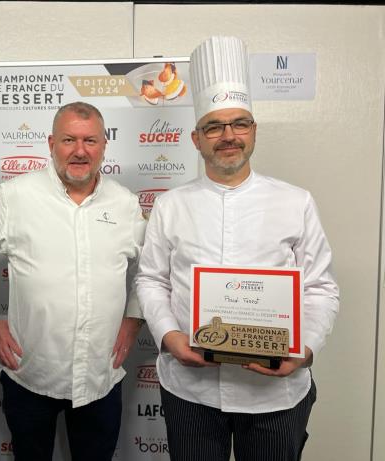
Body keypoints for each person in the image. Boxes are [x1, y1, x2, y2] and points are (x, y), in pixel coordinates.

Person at [135, 36, 339, 461]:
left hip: (275, 394)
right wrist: (170, 337)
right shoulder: (171, 205)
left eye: (239, 123)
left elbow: (320, 288)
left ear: (253, 131)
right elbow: (151, 280)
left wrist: (305, 351)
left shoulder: (295, 201)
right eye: (214, 126)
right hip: (191, 391)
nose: (229, 136)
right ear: (196, 139)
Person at [0, 101, 146, 461]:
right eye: (69, 140)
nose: (80, 151)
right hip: (30, 372)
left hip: (99, 376)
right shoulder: (14, 197)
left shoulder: (125, 204)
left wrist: (134, 318)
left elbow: (152, 268)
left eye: (90, 140)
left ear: (104, 145)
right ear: (50, 143)